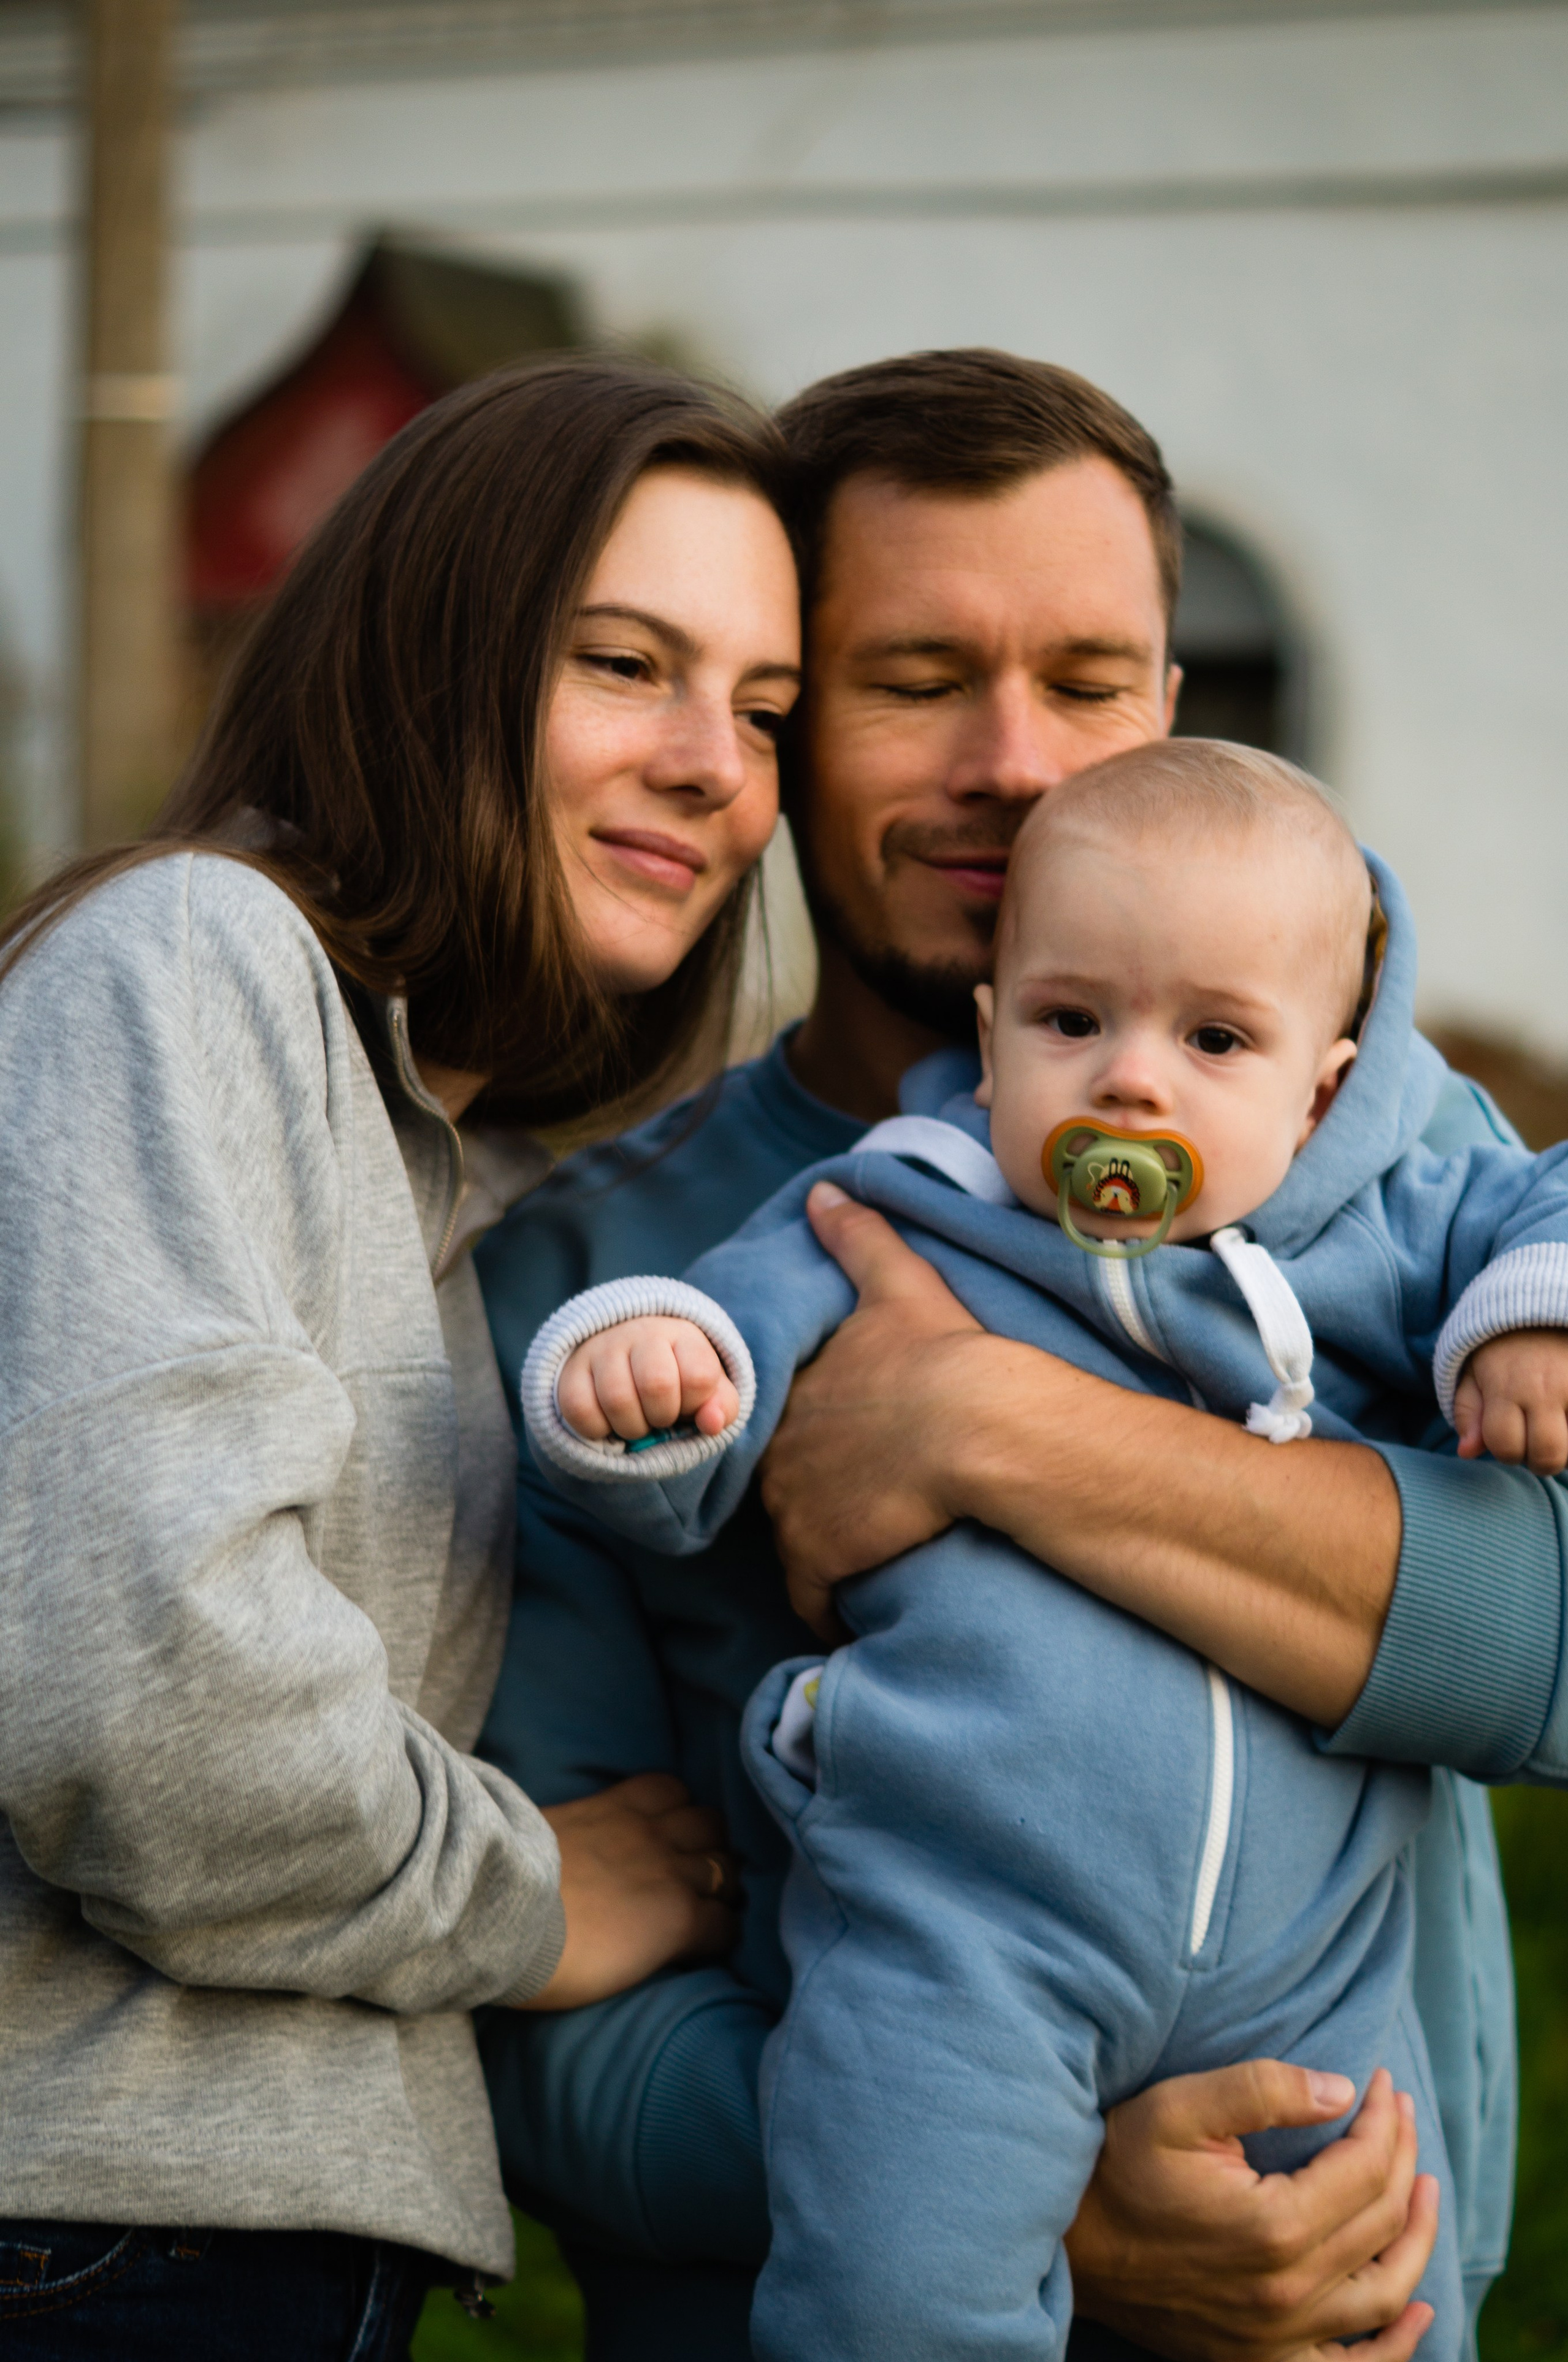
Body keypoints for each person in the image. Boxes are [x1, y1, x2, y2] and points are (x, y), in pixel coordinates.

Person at [475, 353, 1477, 2358]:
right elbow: (523, 2021)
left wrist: (981, 1425)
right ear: (778, 731)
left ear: (1172, 704)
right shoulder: (598, 1277)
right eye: (916, 679)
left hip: (1356, 2282)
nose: (1019, 765)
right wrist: (1036, 2194)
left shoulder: (1381, 1152)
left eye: (1092, 678)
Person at [0, 355, 804, 2358]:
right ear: (432, 659)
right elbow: (156, 1717)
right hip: (96, 2235)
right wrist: (534, 1896)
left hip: (220, 2247)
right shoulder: (193, 957)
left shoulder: (452, 1169)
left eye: (768, 710)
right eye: (627, 662)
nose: (719, 762)